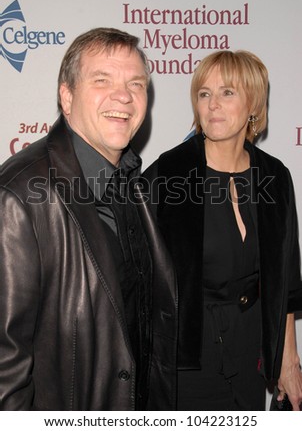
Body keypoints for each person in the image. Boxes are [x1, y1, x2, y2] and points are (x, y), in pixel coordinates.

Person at [0, 27, 177, 411]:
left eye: (136, 83)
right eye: (102, 80)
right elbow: (5, 369)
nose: (124, 96)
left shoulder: (133, 182)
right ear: (67, 96)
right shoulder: (18, 196)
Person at [143, 50, 302, 410]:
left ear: (253, 105)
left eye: (227, 92)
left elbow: (286, 281)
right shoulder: (170, 173)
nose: (213, 104)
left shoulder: (274, 176)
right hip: (187, 357)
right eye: (204, 93)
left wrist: (288, 359)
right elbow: (132, 271)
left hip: (251, 351)